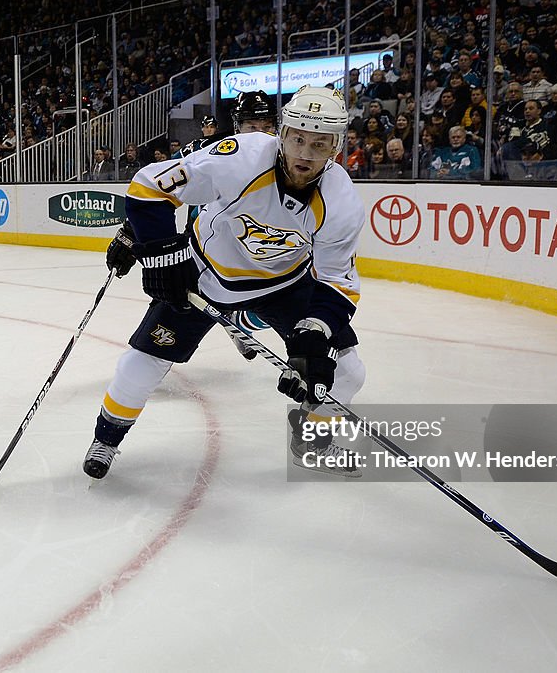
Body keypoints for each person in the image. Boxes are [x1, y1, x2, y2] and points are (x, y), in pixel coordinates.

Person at [87, 86, 366, 480]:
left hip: (284, 284)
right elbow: (149, 186)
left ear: (336, 147)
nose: (305, 153)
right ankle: (106, 438)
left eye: (319, 144)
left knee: (349, 370)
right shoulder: (243, 157)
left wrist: (313, 333)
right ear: (282, 133)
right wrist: (161, 254)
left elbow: (338, 280)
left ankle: (312, 443)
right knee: (139, 366)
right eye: (298, 138)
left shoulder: (342, 204)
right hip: (206, 272)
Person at [108, 90, 280, 360]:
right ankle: (150, 355)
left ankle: (238, 323)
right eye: (251, 127)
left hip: (256, 250)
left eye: (267, 127)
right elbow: (161, 184)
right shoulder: (210, 151)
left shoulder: (289, 161)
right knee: (172, 298)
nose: (260, 134)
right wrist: (132, 233)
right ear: (237, 126)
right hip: (201, 242)